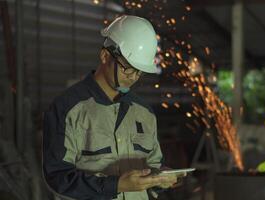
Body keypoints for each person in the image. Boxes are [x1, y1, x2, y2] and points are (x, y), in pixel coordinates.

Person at [42, 15, 178, 200]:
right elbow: (58, 178)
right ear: (105, 56)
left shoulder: (144, 113)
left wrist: (160, 180)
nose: (133, 77)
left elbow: (153, 165)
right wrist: (117, 185)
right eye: (127, 67)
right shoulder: (68, 109)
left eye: (139, 71)